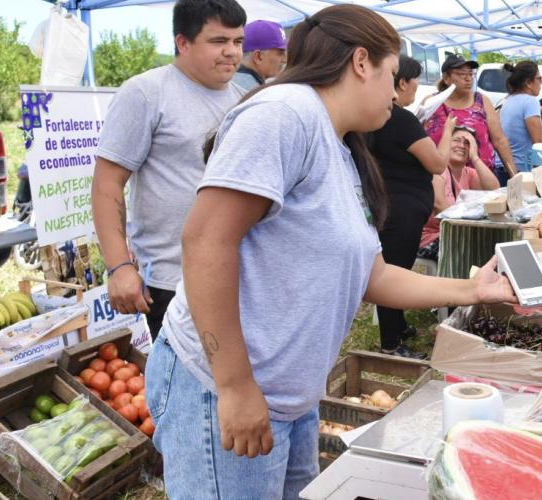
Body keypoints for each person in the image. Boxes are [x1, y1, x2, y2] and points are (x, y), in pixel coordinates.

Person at [146, 6, 516, 498]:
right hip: (222, 389)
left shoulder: (339, 146)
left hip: (289, 398)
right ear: (361, 62)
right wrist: (234, 386)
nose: (396, 94)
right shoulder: (284, 115)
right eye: (391, 74)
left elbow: (374, 276)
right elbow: (206, 241)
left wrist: (473, 288)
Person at [91, 0, 245, 340]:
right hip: (171, 283)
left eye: (238, 41)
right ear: (183, 43)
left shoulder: (243, 100)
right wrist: (119, 267)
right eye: (219, 41)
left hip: (235, 277)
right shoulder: (146, 93)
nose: (232, 52)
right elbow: (107, 184)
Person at [370, 55, 454, 360]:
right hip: (401, 209)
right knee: (394, 273)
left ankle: (399, 326)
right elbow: (438, 163)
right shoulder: (401, 120)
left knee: (397, 267)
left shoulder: (377, 117)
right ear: (402, 82)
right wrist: (447, 130)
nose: (417, 87)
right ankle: (391, 345)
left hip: (391, 205)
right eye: (415, 80)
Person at [425, 54, 518, 185]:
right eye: (462, 74)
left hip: (482, 182)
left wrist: (514, 175)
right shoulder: (432, 103)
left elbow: (499, 140)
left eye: (470, 74)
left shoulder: (482, 101)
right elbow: (420, 141)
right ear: (446, 78)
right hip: (442, 183)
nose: (468, 78)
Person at [417, 128, 502, 260]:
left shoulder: (469, 173)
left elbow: (494, 189)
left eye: (467, 143)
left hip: (457, 235)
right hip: (432, 239)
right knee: (482, 249)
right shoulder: (438, 171)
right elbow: (438, 204)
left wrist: (475, 157)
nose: (462, 145)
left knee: (497, 244)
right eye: (456, 140)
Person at [499, 61, 542, 172]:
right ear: (528, 83)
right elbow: (538, 140)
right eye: (539, 79)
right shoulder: (530, 101)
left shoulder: (508, 100)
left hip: (504, 164)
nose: (541, 83)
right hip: (520, 167)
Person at [231, 20, 286, 92]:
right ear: (258, 57)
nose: (284, 60)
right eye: (280, 53)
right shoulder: (253, 92)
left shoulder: (227, 82)